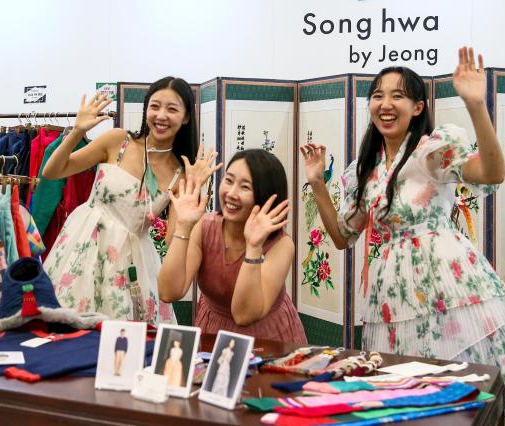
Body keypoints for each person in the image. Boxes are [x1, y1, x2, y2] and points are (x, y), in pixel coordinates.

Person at [301, 47, 505, 424]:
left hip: (450, 289)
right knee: (408, 396)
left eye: (398, 95)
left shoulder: (433, 150)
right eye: (379, 95)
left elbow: (493, 172)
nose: (386, 104)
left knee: (466, 388)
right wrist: (318, 182)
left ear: (418, 107)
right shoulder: (364, 169)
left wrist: (476, 106)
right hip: (391, 299)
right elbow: (341, 236)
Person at [42, 77, 218, 323]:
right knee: (66, 330)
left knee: (122, 341)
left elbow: (171, 240)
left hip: (131, 266)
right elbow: (52, 172)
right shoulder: (117, 141)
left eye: (172, 109)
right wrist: (77, 131)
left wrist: (193, 188)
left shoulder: (180, 173)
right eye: (155, 106)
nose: (161, 115)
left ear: (186, 117)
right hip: (82, 248)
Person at [158, 149, 307, 344]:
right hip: (213, 330)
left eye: (245, 187)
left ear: (265, 195)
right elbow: (169, 291)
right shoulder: (205, 227)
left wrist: (254, 247)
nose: (231, 193)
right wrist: (184, 225)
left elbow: (244, 315)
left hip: (269, 338)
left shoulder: (281, 245)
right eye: (228, 181)